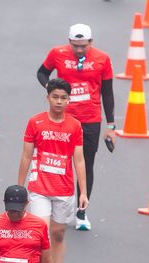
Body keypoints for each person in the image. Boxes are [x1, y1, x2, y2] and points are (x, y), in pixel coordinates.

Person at [37, 24, 115, 231]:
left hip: (90, 119)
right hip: (62, 118)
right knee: (57, 163)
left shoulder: (102, 59)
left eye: (84, 46)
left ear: (91, 42)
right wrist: (51, 88)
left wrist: (111, 126)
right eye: (75, 46)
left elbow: (107, 92)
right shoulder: (57, 53)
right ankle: (56, 206)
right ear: (69, 42)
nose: (79, 50)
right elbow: (42, 73)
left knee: (86, 164)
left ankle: (81, 212)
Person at [17, 78, 86, 263]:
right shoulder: (35, 122)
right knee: (41, 232)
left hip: (64, 189)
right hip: (38, 187)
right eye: (55, 97)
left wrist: (83, 192)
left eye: (63, 98)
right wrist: (19, 188)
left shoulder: (75, 125)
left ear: (69, 100)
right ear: (47, 97)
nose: (59, 101)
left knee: (58, 234)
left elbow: (79, 160)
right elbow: (26, 155)